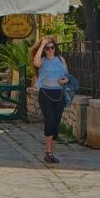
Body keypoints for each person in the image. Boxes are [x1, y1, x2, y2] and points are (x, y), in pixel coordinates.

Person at [33, 36, 69, 164]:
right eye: (47, 48)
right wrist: (42, 44)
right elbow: (35, 63)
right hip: (45, 94)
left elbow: (67, 76)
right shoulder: (42, 60)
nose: (50, 50)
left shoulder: (61, 60)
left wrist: (65, 80)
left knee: (56, 124)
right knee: (50, 121)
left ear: (55, 48)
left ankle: (51, 154)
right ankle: (47, 152)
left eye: (52, 47)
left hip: (59, 94)